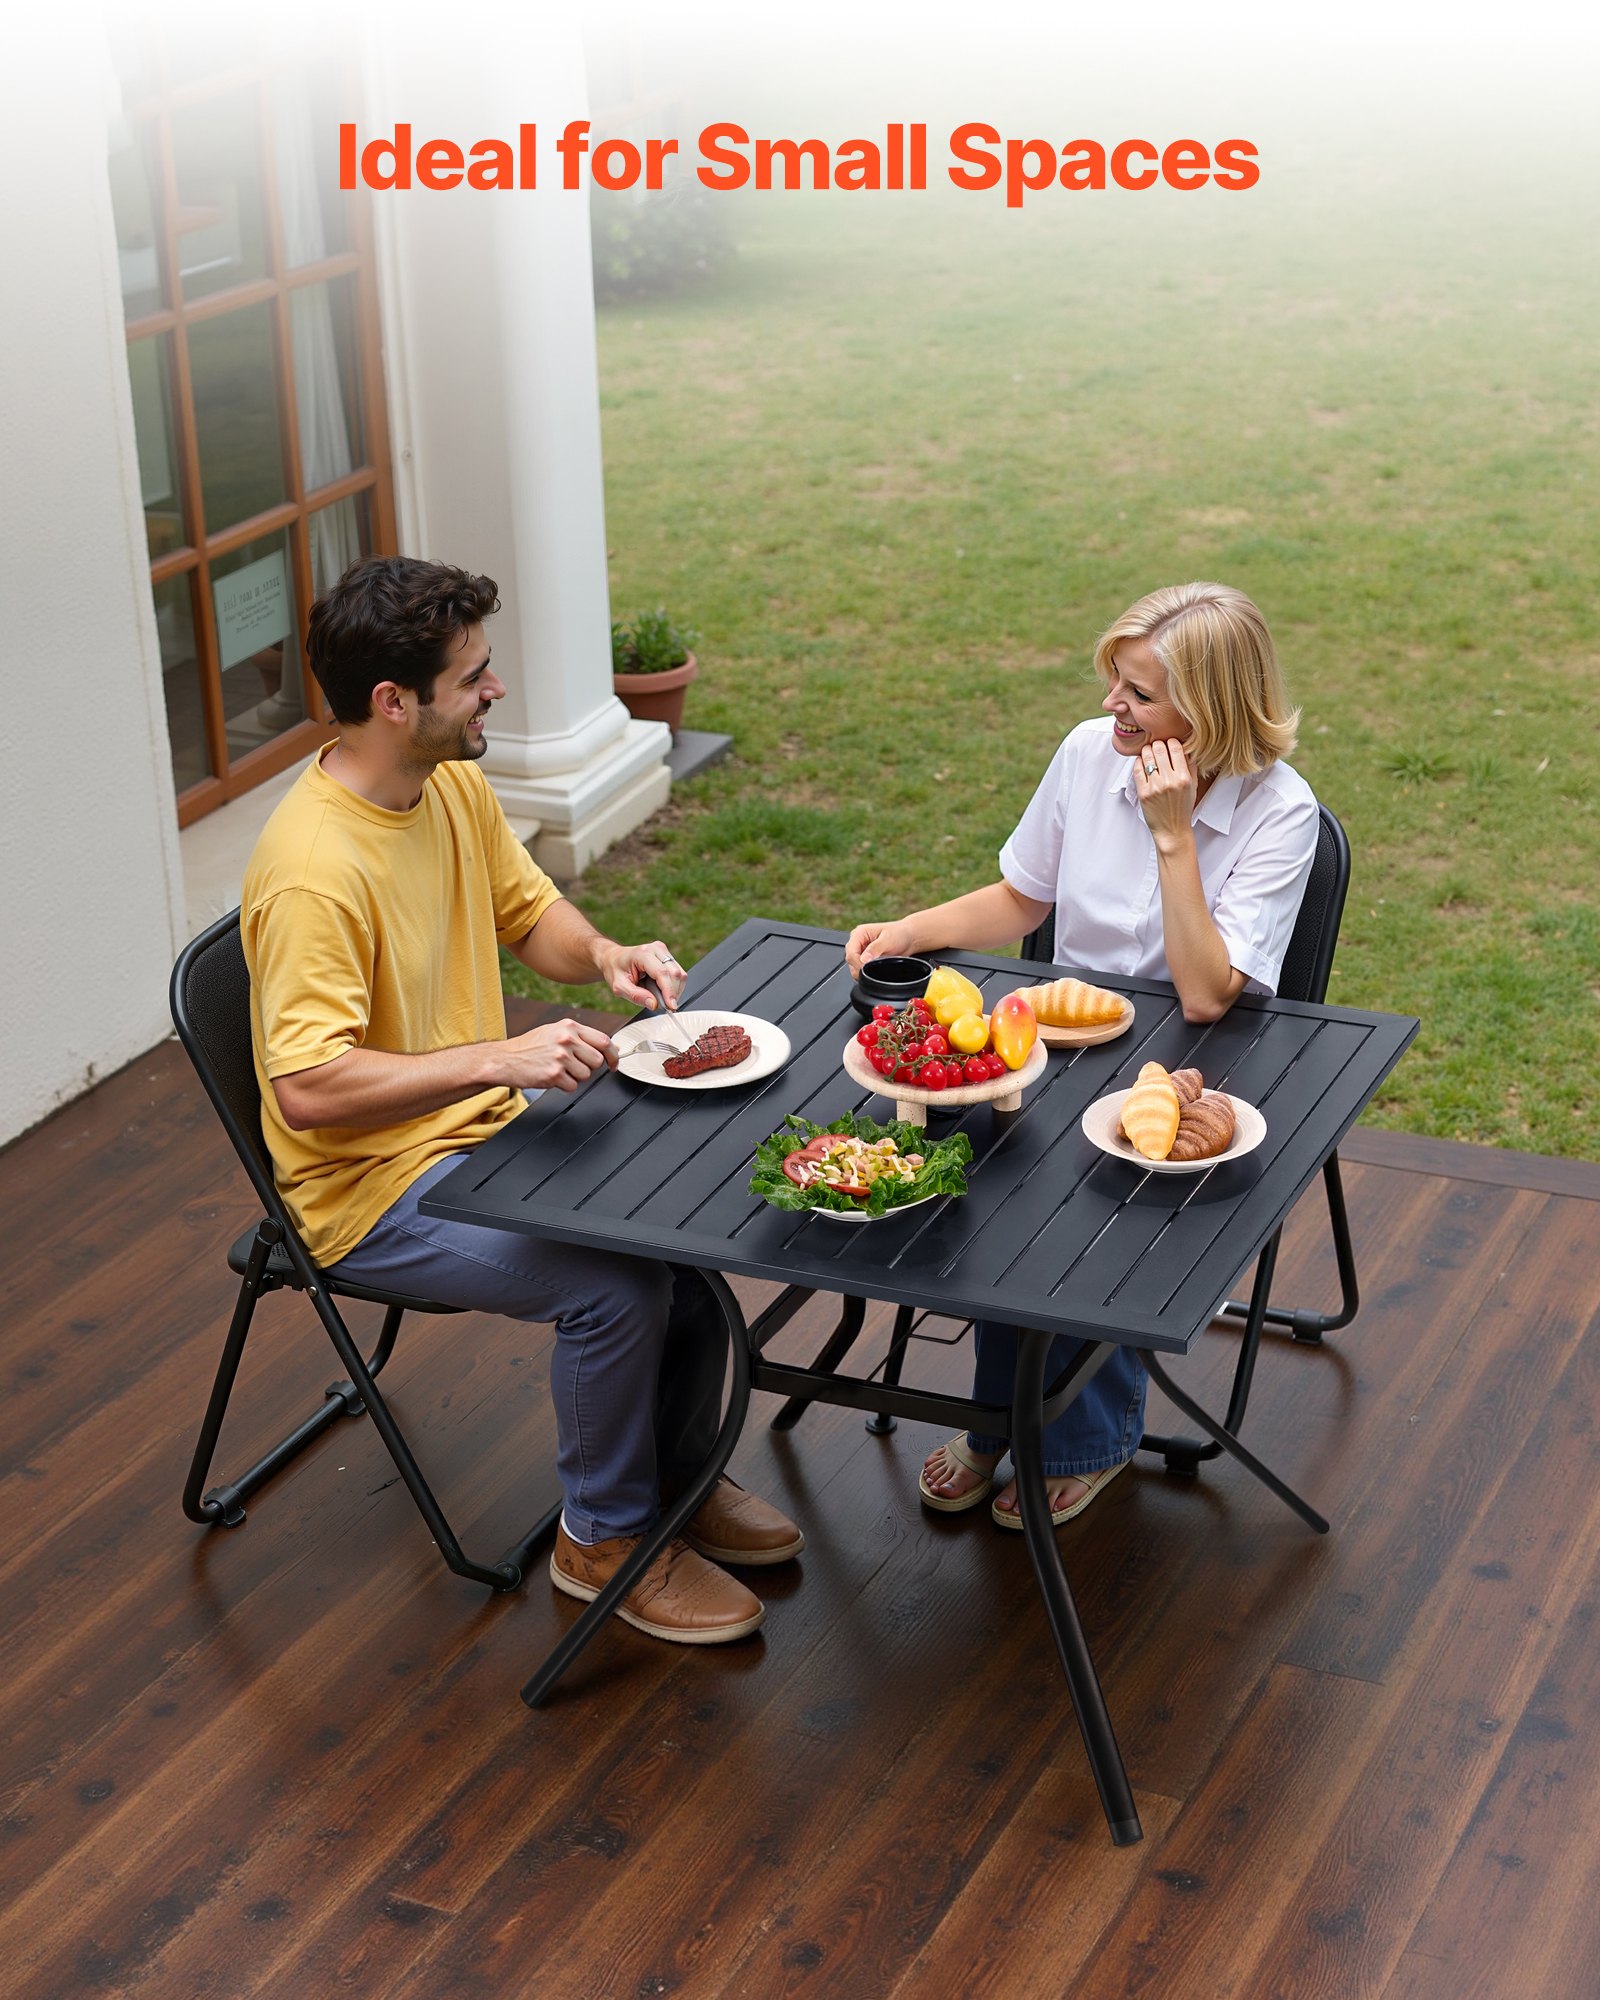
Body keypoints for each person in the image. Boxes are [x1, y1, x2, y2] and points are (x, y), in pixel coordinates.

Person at [241, 555, 802, 1644]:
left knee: (673, 1218)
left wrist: (601, 953)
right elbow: (307, 1088)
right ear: (393, 703)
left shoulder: (442, 780)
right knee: (614, 1288)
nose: (495, 690)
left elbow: (525, 910)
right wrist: (497, 1059)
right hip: (373, 1187)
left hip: (483, 1131)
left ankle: (676, 1481)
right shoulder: (314, 870)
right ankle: (602, 1541)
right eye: (475, 676)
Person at [845, 581, 1318, 1529]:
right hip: (1063, 1040)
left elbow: (1203, 994)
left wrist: (1173, 835)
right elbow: (1024, 899)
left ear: (1210, 710)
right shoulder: (1084, 753)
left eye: (1139, 693)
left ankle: (1080, 1439)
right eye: (1115, 681)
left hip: (1201, 1058)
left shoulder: (1282, 813)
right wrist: (913, 926)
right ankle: (998, 1425)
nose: (1113, 706)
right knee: (984, 1174)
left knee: (1086, 1206)